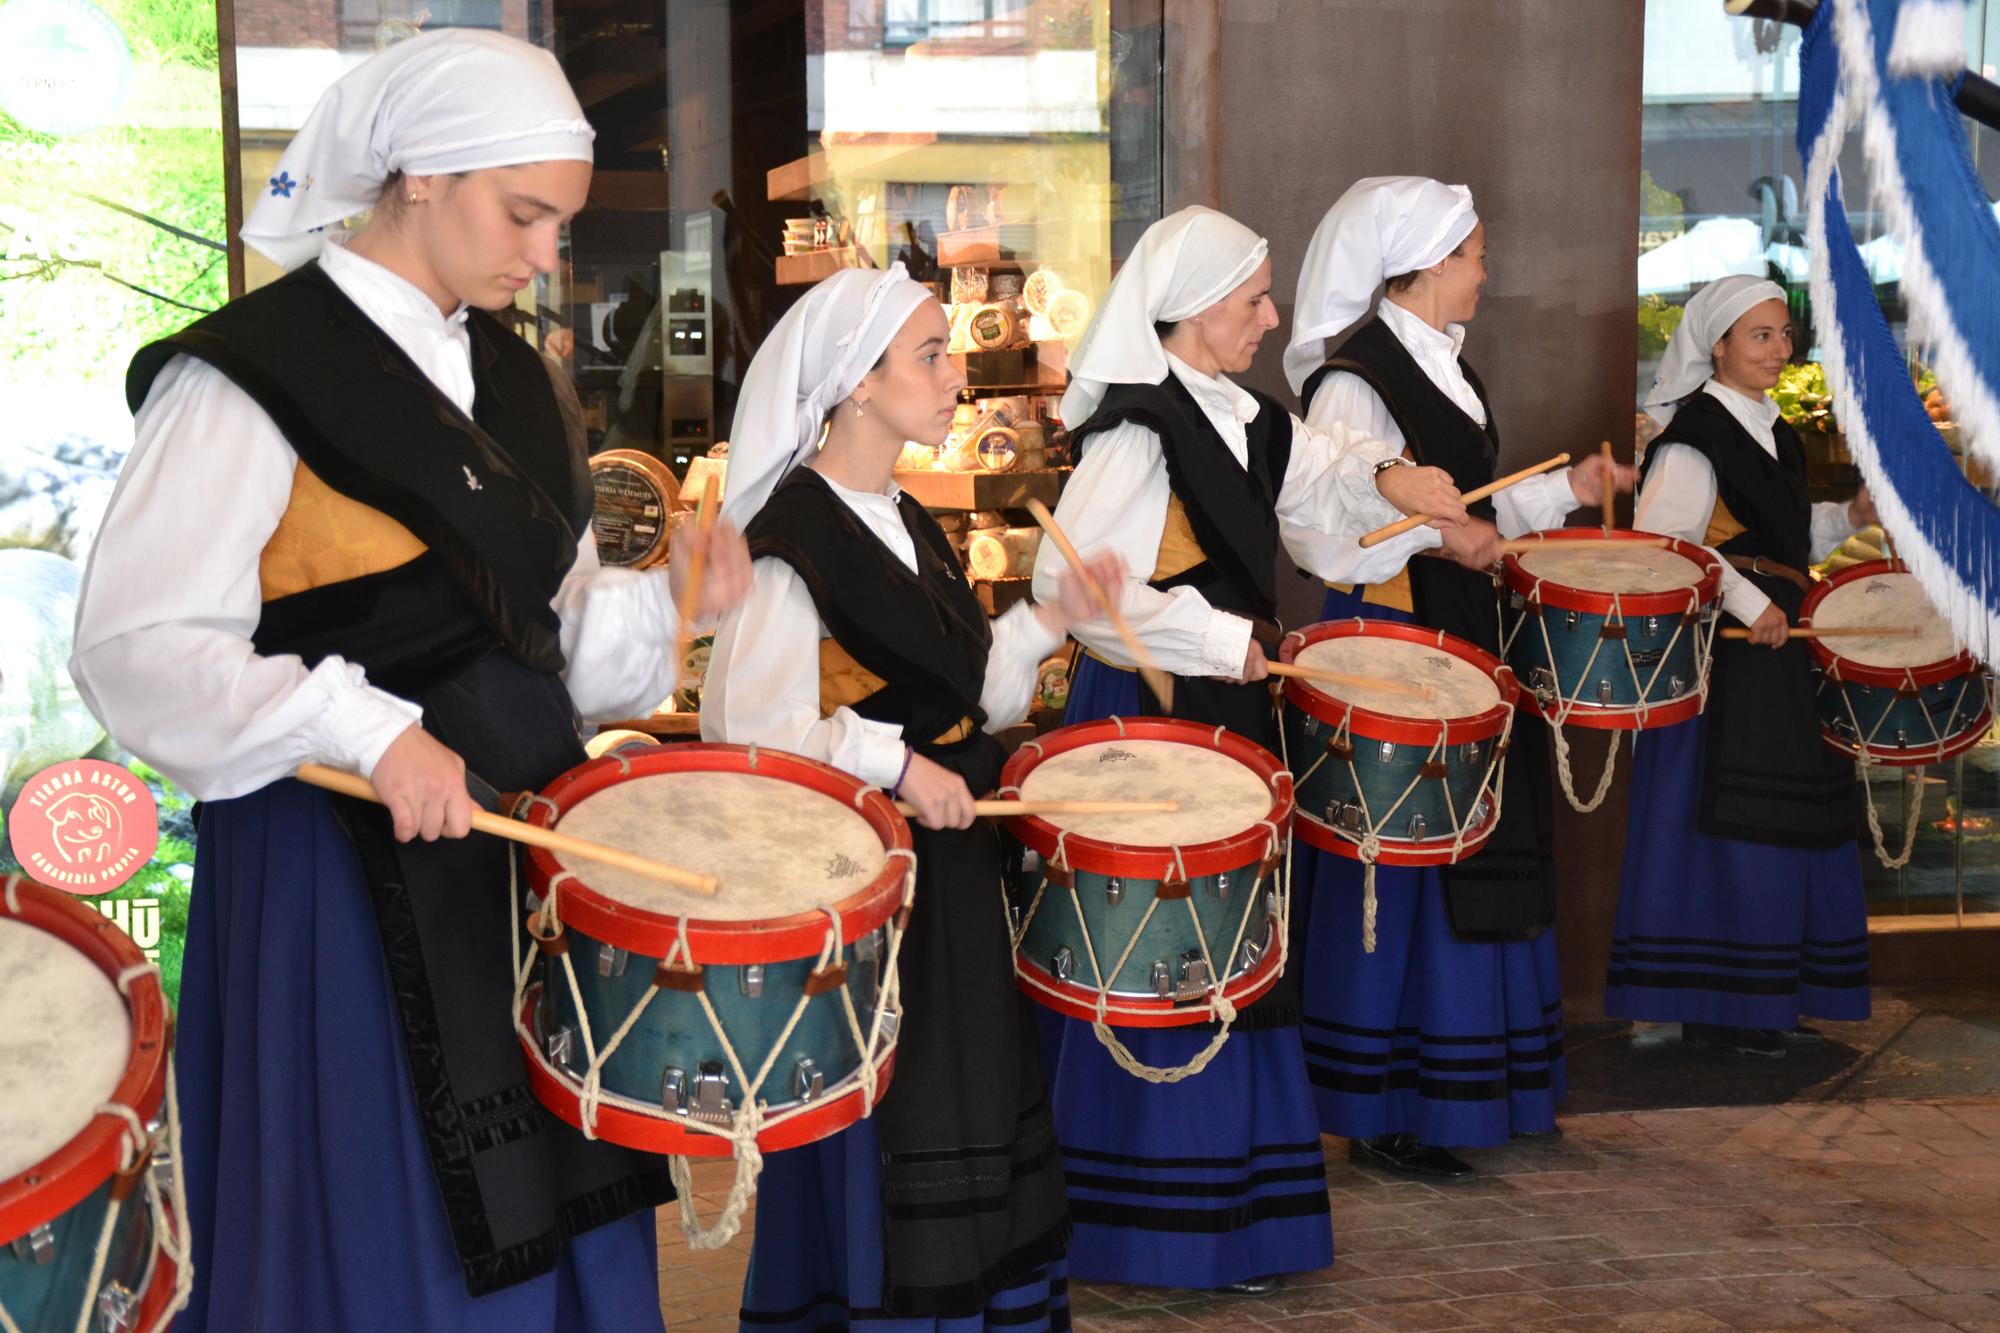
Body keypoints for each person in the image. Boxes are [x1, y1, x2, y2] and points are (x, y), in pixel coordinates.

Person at [68, 30, 752, 1330]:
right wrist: (367, 732)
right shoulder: (244, 380)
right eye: (524, 213)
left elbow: (538, 632)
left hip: (516, 857)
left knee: (559, 1197)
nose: (546, 253)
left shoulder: (513, 374)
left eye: (559, 220)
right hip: (335, 872)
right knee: (392, 1230)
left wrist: (666, 601)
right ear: (420, 180)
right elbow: (136, 646)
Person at [1024, 204, 1465, 1294]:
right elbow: (1073, 591)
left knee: (1232, 953)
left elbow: (1323, 488)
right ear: (1188, 308)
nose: (1271, 318)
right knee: (1147, 951)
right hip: (1149, 710)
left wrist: (1398, 482)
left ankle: (1234, 1216)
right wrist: (1229, 639)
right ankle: (1135, 1222)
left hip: (1227, 707)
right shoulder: (1137, 428)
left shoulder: (1245, 417)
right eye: (1251, 299)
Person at [702, 264, 1119, 1331]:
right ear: (854, 385)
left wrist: (1046, 617)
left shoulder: (902, 514)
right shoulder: (791, 538)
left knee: (966, 1092)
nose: (953, 382)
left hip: (949, 865)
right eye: (928, 358)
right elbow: (744, 724)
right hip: (863, 884)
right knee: (888, 1111)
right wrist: (893, 764)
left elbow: (964, 694)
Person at [1281, 177, 1630, 1179]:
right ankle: (1391, 1107)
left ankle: (1487, 1088)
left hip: (1452, 640)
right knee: (1405, 868)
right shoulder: (1355, 382)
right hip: (1389, 642)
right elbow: (1329, 529)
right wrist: (1447, 539)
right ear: (1431, 262)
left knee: (1475, 854)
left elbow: (1467, 499)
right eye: (1474, 253)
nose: (1486, 268)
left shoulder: (1439, 362)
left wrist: (1562, 490)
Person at [1607, 274, 1875, 1057]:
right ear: (1717, 345)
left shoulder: (1778, 430)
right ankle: (1712, 1003)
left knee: (1783, 820)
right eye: (1759, 335)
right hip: (1722, 662)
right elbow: (1669, 547)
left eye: (1784, 333)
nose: (1778, 348)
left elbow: (1781, 542)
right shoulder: (1693, 435)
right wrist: (1749, 603)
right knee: (1728, 821)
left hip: (1777, 652)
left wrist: (1846, 519)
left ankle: (1767, 995)